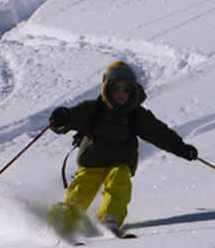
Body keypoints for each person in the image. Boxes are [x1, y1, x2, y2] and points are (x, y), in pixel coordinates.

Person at [47, 61, 197, 237]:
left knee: (120, 181)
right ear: (107, 89)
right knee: (81, 188)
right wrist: (61, 119)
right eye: (116, 88)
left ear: (132, 91)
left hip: (121, 162)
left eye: (126, 89)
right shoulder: (93, 109)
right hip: (92, 162)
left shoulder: (136, 114)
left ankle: (109, 218)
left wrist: (180, 147)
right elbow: (68, 121)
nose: (121, 94)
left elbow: (158, 133)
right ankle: (67, 218)